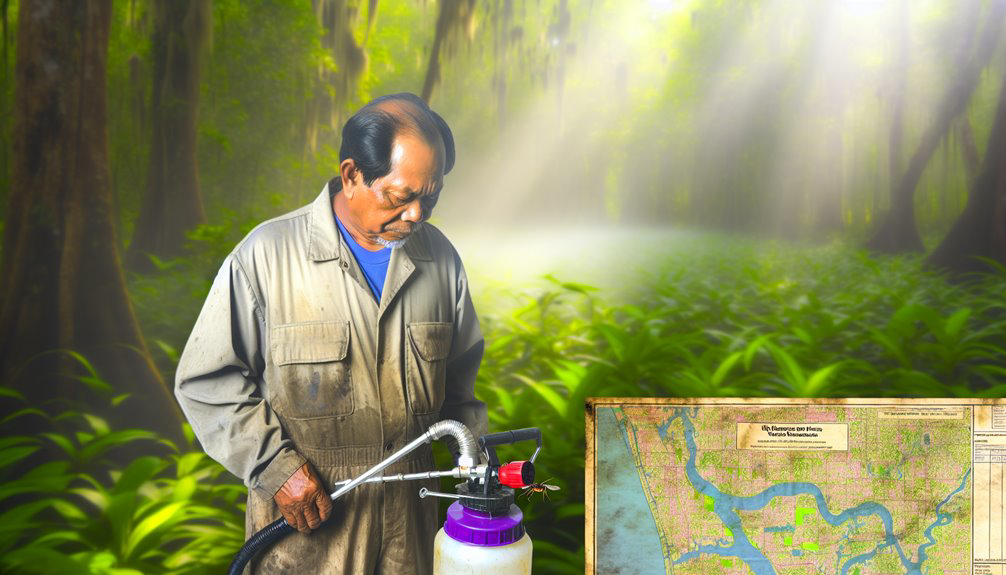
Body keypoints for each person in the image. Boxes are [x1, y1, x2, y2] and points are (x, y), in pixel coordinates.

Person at [174, 93, 488, 574]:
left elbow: (460, 395)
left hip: (415, 526)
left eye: (431, 197)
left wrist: (479, 476)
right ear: (352, 175)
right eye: (401, 197)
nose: (418, 216)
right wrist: (276, 470)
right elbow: (206, 381)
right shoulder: (266, 257)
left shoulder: (441, 261)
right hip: (307, 527)